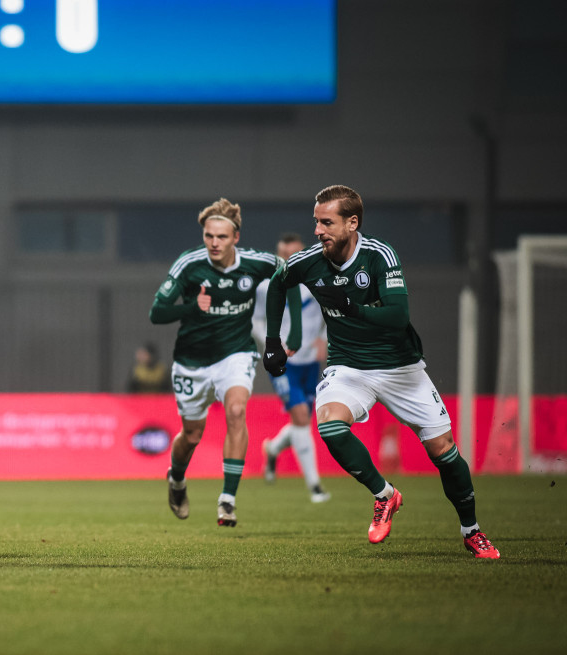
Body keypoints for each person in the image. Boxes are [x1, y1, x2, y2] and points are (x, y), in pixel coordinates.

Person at [263, 184, 500, 559]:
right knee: (329, 425)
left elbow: (397, 316)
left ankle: (472, 531)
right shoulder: (310, 259)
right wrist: (274, 342)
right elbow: (278, 283)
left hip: (401, 368)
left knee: (443, 451)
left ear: (352, 222)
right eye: (316, 222)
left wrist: (352, 308)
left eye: (326, 222)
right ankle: (385, 495)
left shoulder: (378, 255)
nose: (318, 231)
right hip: (348, 367)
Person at [150, 198, 302, 527]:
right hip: (191, 361)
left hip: (235, 353)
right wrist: (191, 308)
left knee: (236, 411)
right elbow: (157, 312)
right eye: (208, 236)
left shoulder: (256, 262)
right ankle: (176, 479)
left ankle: (227, 500)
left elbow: (290, 276)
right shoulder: (189, 264)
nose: (214, 243)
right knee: (191, 436)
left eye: (221, 237)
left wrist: (296, 334)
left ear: (236, 237)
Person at [252, 233, 331, 503]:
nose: (290, 260)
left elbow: (328, 314)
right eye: (285, 255)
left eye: (294, 254)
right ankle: (315, 487)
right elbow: (257, 322)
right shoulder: (267, 287)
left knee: (302, 421)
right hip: (285, 363)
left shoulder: (316, 283)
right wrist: (273, 344)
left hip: (311, 360)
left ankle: (272, 449)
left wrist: (324, 339)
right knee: (300, 417)